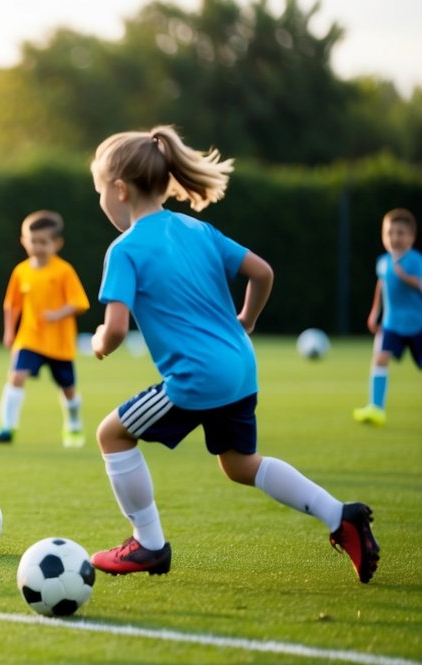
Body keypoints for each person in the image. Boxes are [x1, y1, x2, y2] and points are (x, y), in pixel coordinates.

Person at [87, 125, 378, 583]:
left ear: (119, 190)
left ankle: (148, 545)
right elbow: (262, 271)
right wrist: (247, 319)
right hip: (241, 366)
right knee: (239, 464)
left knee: (112, 435)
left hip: (196, 378)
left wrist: (100, 341)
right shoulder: (197, 228)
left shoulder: (124, 249)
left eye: (99, 189)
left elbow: (117, 330)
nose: (100, 199)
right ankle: (340, 515)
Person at [0, 210, 90, 448]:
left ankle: (73, 426)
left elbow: (80, 303)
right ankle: (7, 427)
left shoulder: (63, 271)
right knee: (16, 376)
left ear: (57, 244)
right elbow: (11, 305)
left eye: (43, 242)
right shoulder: (21, 271)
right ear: (24, 241)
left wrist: (58, 313)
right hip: (30, 338)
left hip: (59, 342)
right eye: (32, 241)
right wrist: (9, 331)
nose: (37, 247)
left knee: (68, 389)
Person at [353, 207, 422, 426]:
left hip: (417, 324)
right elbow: (382, 284)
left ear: (411, 237)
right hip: (391, 323)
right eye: (389, 233)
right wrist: (375, 311)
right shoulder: (383, 261)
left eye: (400, 233)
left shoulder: (415, 261)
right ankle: (376, 408)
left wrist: (408, 278)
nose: (394, 238)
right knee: (380, 357)